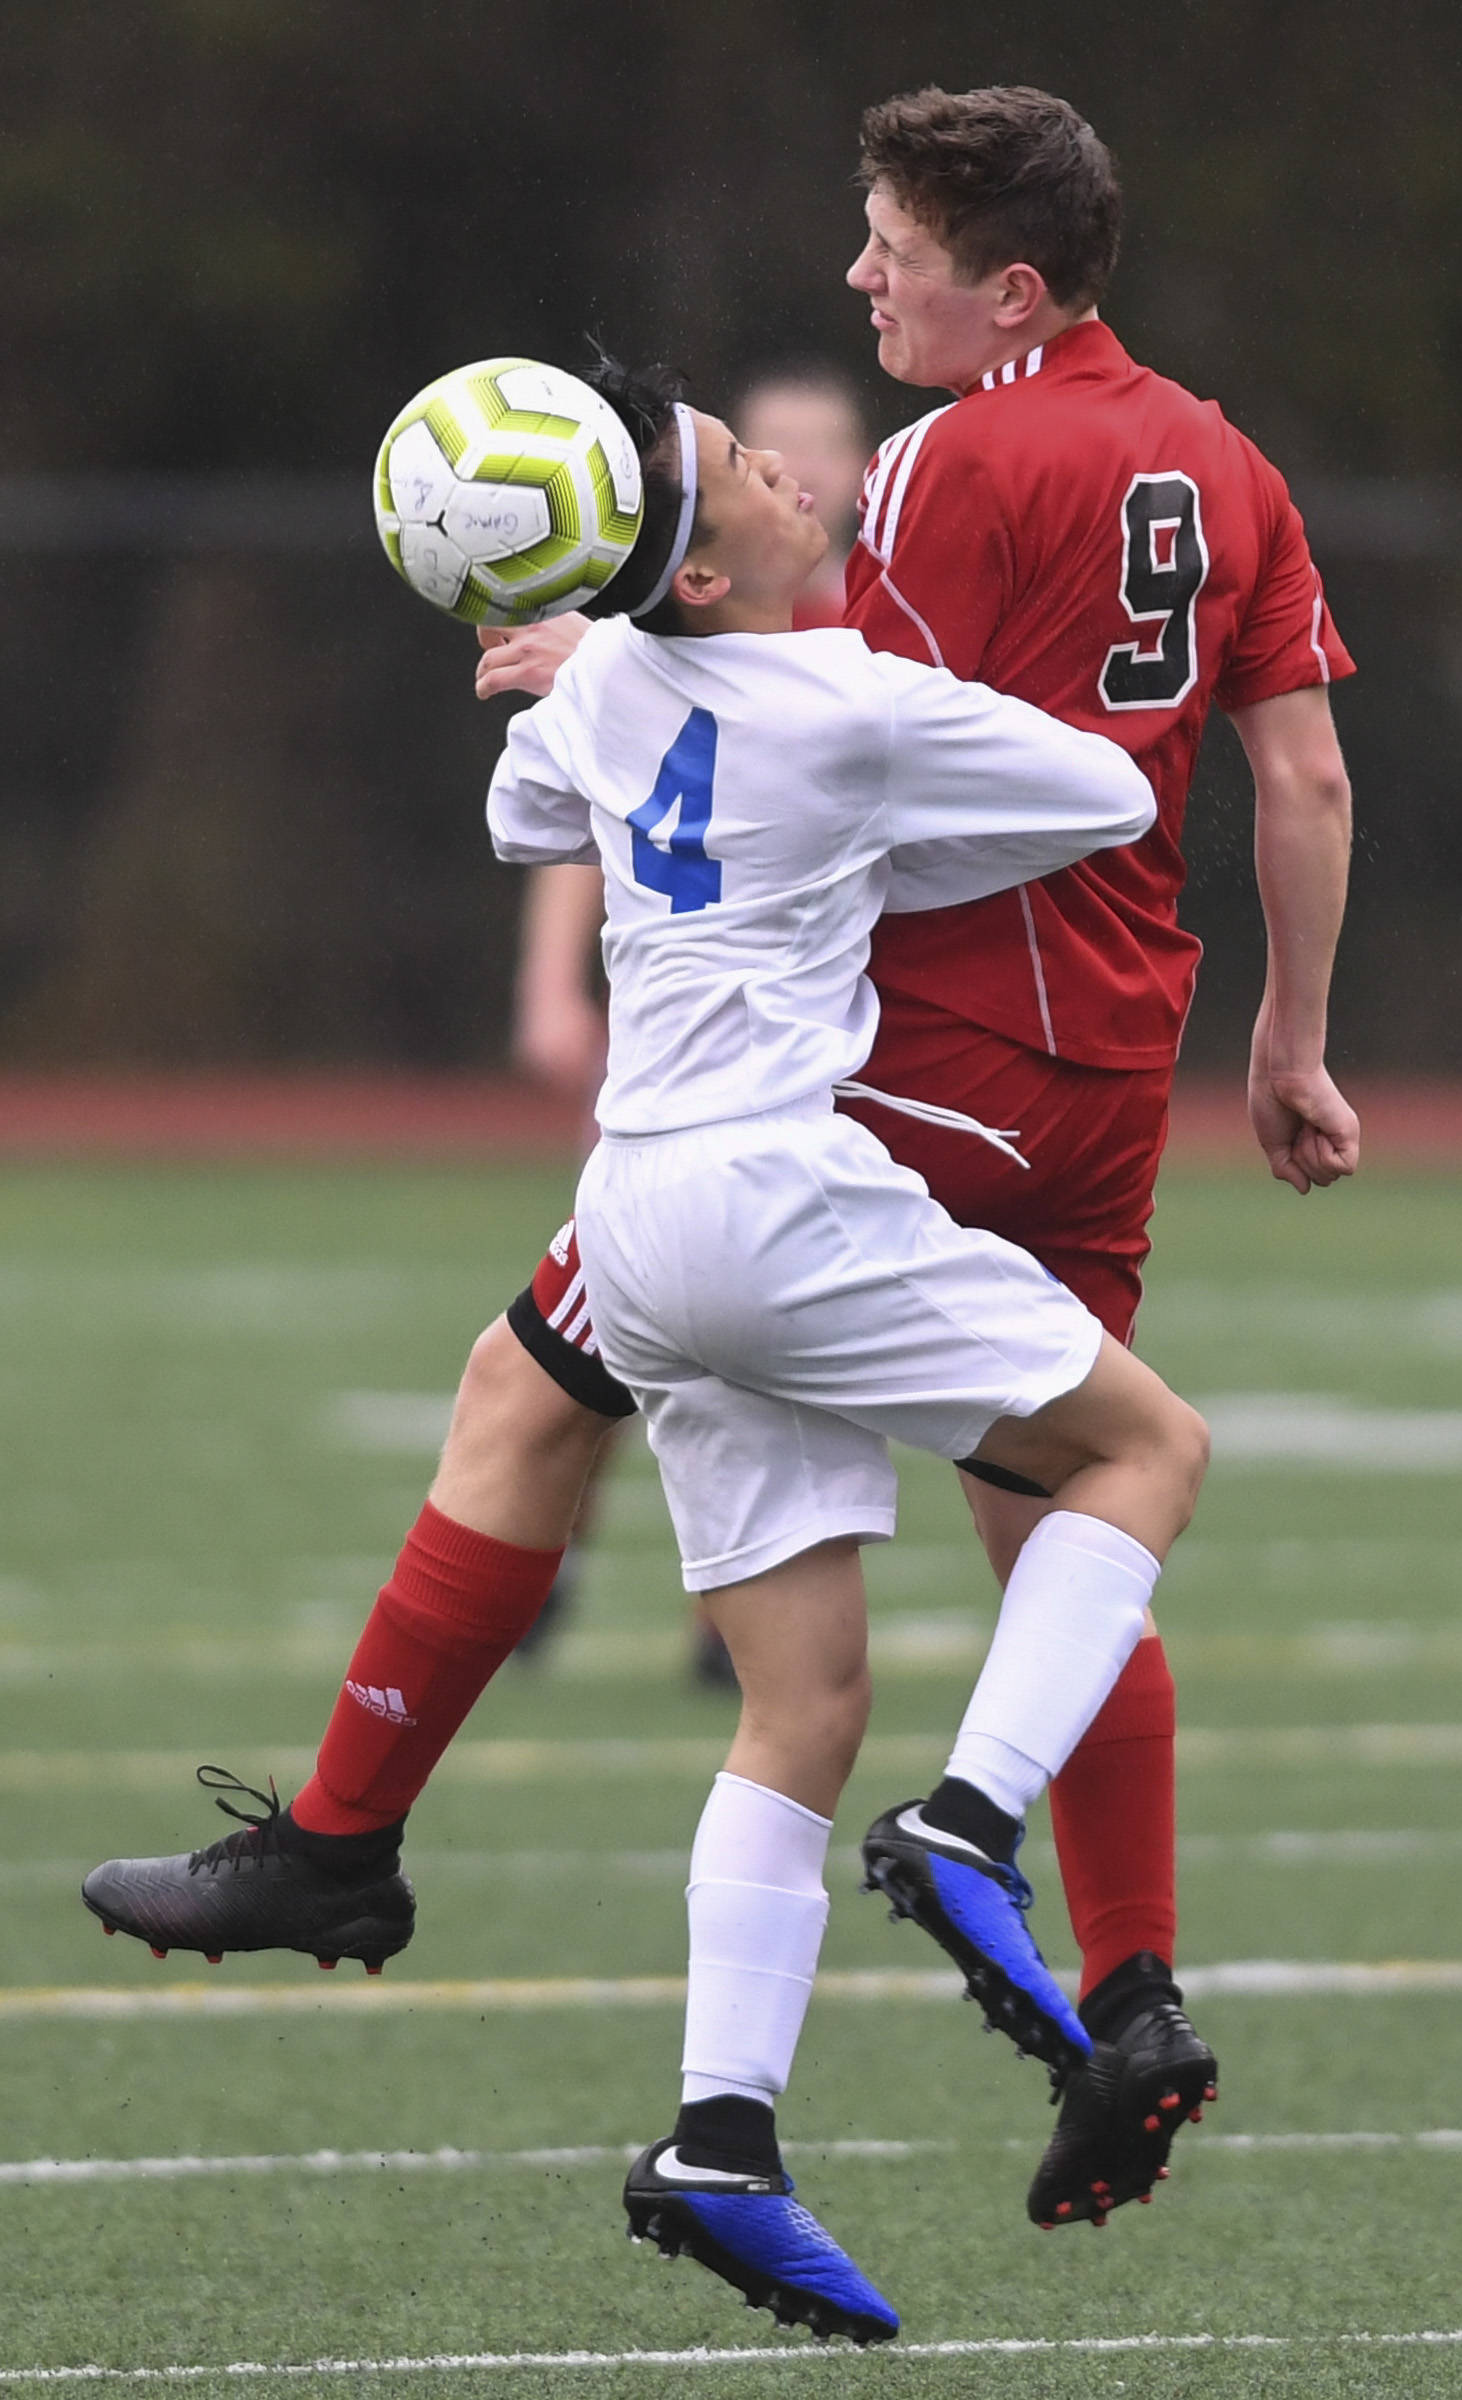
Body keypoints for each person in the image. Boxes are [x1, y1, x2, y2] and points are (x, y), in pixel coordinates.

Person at [84, 79, 1354, 2231]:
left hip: (902, 1062)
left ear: (1008, 283)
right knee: (1053, 1510)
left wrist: (626, 660)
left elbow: (826, 699)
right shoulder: (1230, 462)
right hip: (1113, 1056)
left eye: (891, 247)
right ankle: (1122, 1990)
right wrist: (1294, 1037)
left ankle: (344, 1836)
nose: (859, 281)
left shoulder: (944, 467)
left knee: (540, 1382)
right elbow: (1299, 781)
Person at [482, 362, 1198, 2336]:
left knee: (794, 1706)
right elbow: (1113, 794)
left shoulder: (620, 683)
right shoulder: (858, 700)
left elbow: (519, 801)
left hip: (632, 1224)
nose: (793, 469)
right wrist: (889, 817)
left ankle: (721, 2135)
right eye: (746, 472)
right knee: (1148, 1457)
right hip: (780, 1201)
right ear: (702, 573)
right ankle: (973, 1823)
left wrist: (578, 671)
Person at [508, 361, 873, 1684]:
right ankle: (541, 1572)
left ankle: (739, 1616)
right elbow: (574, 824)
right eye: (767, 449)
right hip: (689, 1073)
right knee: (589, 1342)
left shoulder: (871, 633)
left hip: (826, 1052)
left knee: (767, 1325)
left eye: (829, 445)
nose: (801, 467)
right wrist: (553, 989)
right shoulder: (672, 632)